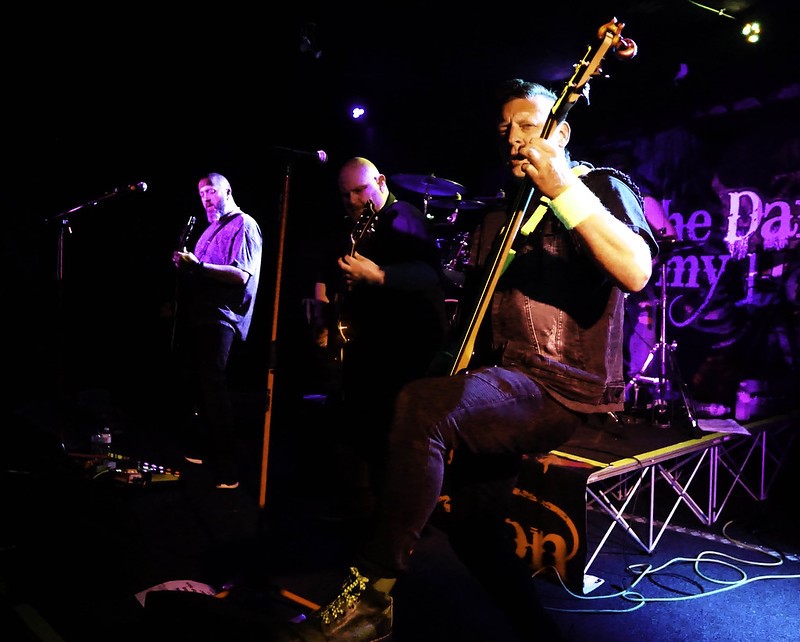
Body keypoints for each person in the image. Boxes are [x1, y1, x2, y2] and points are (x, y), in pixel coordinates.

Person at [273, 79, 657, 642]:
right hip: (501, 383)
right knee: (475, 530)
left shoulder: (598, 185)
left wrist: (562, 186)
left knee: (423, 408)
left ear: (561, 132)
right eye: (505, 129)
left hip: (559, 385)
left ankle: (372, 596)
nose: (514, 139)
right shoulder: (500, 213)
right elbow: (473, 312)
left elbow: (636, 270)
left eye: (528, 126)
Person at [308, 156, 449, 514]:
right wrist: (325, 306)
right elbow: (329, 271)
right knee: (361, 431)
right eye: (346, 195)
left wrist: (379, 275)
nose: (353, 200)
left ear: (381, 182)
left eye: (360, 191)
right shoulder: (357, 226)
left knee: (391, 433)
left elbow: (430, 273)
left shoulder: (403, 216)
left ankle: (396, 515)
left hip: (406, 346)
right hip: (371, 344)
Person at [171, 172, 262, 490]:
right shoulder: (207, 230)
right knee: (198, 384)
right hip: (201, 314)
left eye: (211, 190)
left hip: (223, 316)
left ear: (228, 190)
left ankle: (229, 469)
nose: (206, 198)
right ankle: (203, 448)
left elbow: (241, 275)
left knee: (213, 385)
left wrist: (197, 266)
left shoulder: (244, 224)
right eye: (201, 194)